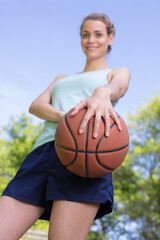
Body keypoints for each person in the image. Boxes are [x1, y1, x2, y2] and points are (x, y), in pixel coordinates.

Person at [0, 13, 130, 240]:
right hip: (41, 155)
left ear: (110, 38)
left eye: (98, 34)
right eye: (85, 35)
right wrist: (67, 119)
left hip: (86, 157)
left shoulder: (115, 73)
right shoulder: (61, 78)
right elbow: (36, 105)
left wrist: (103, 91)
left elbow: (118, 87)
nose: (91, 40)